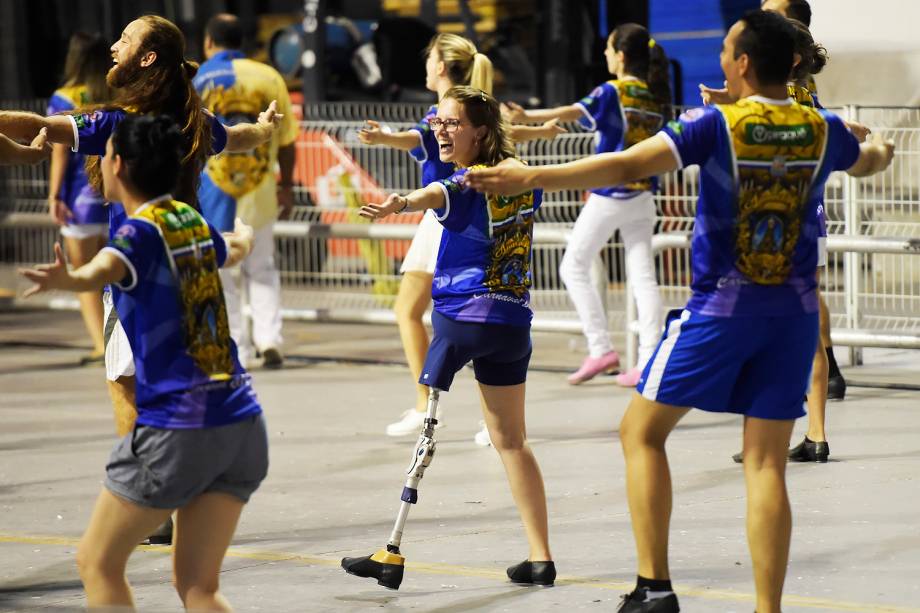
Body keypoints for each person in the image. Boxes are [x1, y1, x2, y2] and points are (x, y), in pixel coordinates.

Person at [466, 10, 894, 612]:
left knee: (640, 432)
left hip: (722, 308)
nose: (719, 56)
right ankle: (767, 608)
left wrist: (532, 173)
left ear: (743, 63)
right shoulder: (821, 127)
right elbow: (869, 159)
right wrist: (882, 148)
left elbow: (625, 164)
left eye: (725, 48)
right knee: (768, 461)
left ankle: (654, 588)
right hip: (794, 316)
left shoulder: (714, 124)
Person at [0, 14, 282, 543]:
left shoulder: (121, 126)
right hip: (190, 256)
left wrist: (72, 279)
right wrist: (265, 132)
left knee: (125, 384)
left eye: (125, 40)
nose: (113, 46)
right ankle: (189, 484)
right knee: (187, 374)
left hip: (141, 271)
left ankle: (154, 496)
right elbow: (238, 137)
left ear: (147, 58)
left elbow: (34, 125)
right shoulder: (190, 118)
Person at [20, 113, 266, 611]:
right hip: (241, 424)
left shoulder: (137, 234)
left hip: (179, 428)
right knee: (199, 588)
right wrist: (243, 237)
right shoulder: (189, 220)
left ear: (117, 163)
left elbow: (108, 266)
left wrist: (72, 279)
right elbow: (233, 250)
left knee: (97, 562)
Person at [359, 86, 555, 585]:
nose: (439, 130)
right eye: (437, 122)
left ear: (480, 132)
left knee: (427, 433)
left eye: (450, 123)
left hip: (461, 320)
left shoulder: (464, 184)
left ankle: (391, 551)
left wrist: (397, 202)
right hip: (511, 324)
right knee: (511, 441)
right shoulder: (520, 179)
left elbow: (434, 195)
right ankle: (540, 557)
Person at [358, 33, 562, 444]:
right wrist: (540, 133)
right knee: (467, 308)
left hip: (448, 212)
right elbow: (507, 135)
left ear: (440, 66)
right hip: (450, 208)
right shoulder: (473, 107)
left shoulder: (447, 110)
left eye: (429, 56)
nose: (442, 130)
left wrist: (385, 143)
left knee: (430, 310)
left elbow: (418, 140)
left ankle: (427, 405)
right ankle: (489, 414)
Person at [502, 23, 669, 387]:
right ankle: (650, 359)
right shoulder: (654, 97)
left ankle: (601, 348)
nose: (606, 55)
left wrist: (527, 117)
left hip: (610, 192)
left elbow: (575, 111)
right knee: (643, 276)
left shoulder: (613, 90)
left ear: (621, 56)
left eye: (609, 50)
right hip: (644, 195)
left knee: (573, 264)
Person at [195, 13, 299, 369]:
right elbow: (286, 140)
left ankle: (235, 345)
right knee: (263, 267)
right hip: (261, 188)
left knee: (222, 269)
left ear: (209, 42)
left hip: (213, 190)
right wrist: (287, 186)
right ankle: (270, 340)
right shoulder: (270, 76)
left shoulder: (196, 77)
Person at [46, 32, 113, 366]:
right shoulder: (114, 93)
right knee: (111, 275)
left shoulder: (63, 98)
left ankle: (102, 344)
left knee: (84, 274)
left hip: (78, 198)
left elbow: (59, 150)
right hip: (113, 195)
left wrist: (54, 193)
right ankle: (117, 340)